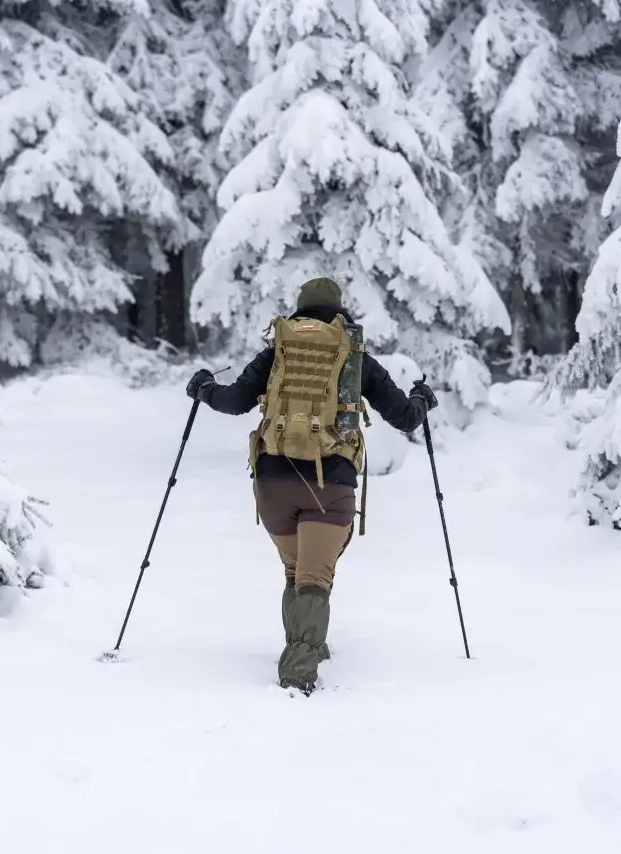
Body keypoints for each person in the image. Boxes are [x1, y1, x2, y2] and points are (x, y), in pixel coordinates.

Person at [185, 276, 437, 695]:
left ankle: (303, 648)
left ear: (299, 310)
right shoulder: (354, 359)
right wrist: (423, 399)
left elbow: (232, 402)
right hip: (330, 485)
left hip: (271, 485)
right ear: (340, 314)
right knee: (314, 578)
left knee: (296, 570)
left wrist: (204, 388)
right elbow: (406, 418)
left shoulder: (278, 352)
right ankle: (298, 674)